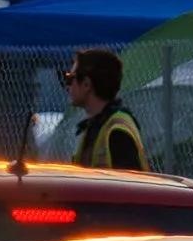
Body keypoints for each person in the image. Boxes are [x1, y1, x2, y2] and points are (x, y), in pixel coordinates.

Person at [62, 44, 148, 173]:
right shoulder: (97, 126)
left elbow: (129, 188)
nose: (68, 86)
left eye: (70, 79)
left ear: (86, 84)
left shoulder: (117, 131)